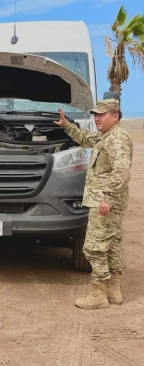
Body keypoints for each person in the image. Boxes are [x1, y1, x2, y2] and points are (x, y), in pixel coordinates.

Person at [53, 99, 133, 309]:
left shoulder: (117, 139)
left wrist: (106, 196)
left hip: (104, 203)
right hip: (109, 202)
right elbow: (86, 139)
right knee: (112, 245)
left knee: (92, 248)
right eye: (95, 114)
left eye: (101, 114)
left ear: (115, 116)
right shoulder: (105, 136)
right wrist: (67, 126)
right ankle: (114, 291)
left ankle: (98, 294)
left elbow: (121, 172)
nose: (96, 118)